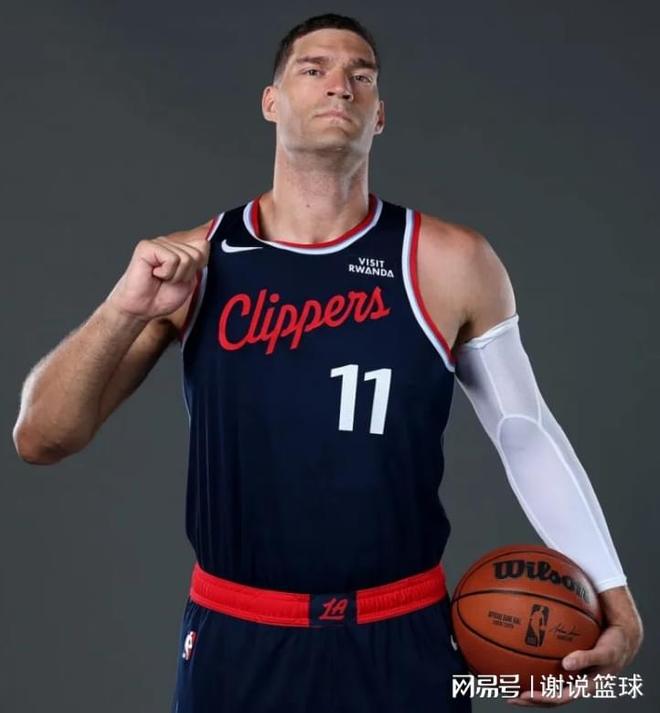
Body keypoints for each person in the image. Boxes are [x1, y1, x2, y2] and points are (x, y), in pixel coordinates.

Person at [12, 12, 643, 713]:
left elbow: (525, 432)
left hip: (404, 634)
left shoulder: (449, 261)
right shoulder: (191, 264)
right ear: (271, 101)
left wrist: (614, 598)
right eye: (313, 69)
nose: (340, 84)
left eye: (360, 75)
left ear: (380, 115)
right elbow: (42, 437)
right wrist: (121, 310)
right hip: (237, 635)